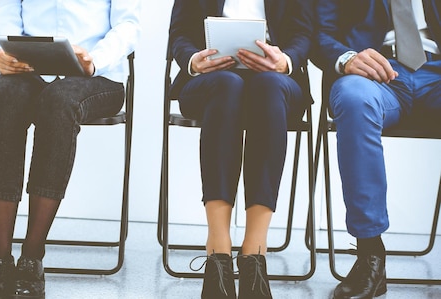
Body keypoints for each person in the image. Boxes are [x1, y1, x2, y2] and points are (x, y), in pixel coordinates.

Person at [0, 1, 140, 298]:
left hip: (96, 74)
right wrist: (4, 53)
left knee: (59, 103)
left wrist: (95, 60)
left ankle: (32, 257)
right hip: (31, 68)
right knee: (5, 97)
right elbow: (8, 14)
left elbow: (128, 25)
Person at [168, 0, 313, 298]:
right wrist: (193, 60)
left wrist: (285, 61)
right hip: (210, 80)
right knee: (228, 85)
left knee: (268, 86)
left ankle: (254, 255)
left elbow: (305, 33)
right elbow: (179, 32)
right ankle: (218, 253)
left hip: (277, 80)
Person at [313, 0, 441, 298]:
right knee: (355, 99)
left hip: (436, 73)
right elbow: (318, 32)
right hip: (373, 73)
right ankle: (370, 253)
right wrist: (346, 57)